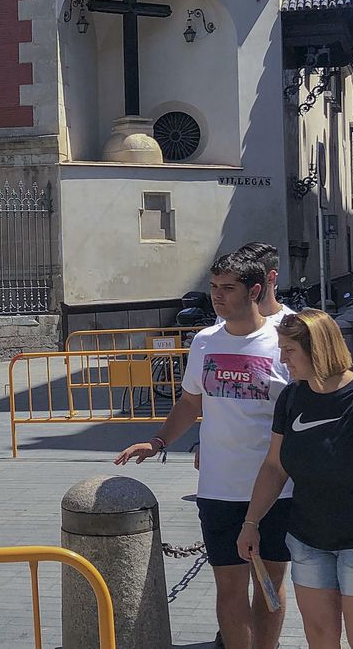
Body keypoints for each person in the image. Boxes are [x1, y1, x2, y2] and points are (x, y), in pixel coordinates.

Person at [116, 252, 293, 649]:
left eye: (228, 288)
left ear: (255, 290)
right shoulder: (204, 341)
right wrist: (158, 441)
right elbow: (190, 402)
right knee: (229, 589)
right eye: (214, 287)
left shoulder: (282, 342)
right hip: (218, 489)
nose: (217, 296)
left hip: (276, 490)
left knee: (269, 585)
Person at [239, 309, 353, 649]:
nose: (283, 360)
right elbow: (275, 466)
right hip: (308, 540)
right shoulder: (292, 397)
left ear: (318, 349)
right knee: (320, 640)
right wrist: (251, 522)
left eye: (290, 351)